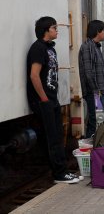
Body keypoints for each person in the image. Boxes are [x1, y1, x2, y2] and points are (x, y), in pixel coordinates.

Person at [27, 16, 79, 184]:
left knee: (56, 135)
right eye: (54, 27)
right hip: (44, 101)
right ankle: (59, 174)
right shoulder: (38, 48)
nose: (57, 30)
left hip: (51, 99)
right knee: (53, 138)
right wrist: (44, 99)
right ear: (46, 30)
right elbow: (34, 75)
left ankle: (61, 170)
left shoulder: (50, 48)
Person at [78, 20, 104, 138]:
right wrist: (97, 91)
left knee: (99, 123)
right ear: (98, 31)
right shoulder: (87, 47)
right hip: (95, 93)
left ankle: (96, 150)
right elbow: (88, 72)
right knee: (94, 123)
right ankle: (91, 151)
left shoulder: (96, 47)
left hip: (101, 92)